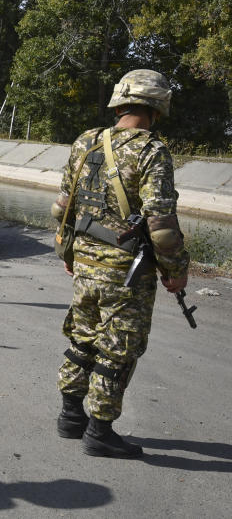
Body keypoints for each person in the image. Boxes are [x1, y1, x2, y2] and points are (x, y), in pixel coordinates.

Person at [51, 69, 189, 458]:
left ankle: (70, 417)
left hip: (85, 264)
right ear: (157, 107)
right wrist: (176, 271)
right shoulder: (151, 151)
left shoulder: (87, 142)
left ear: (120, 102)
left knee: (82, 338)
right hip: (126, 273)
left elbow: (62, 207)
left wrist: (68, 254)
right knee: (117, 350)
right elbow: (161, 226)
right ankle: (99, 432)